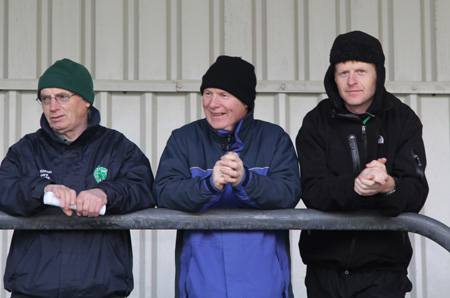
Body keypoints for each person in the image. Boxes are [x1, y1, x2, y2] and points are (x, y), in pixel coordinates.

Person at [0, 58, 155, 298]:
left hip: (100, 287)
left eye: (62, 97)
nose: (52, 106)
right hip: (35, 287)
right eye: (45, 98)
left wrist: (105, 193)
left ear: (86, 101)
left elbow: (143, 187)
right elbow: (4, 187)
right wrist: (42, 190)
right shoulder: (26, 149)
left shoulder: (117, 147)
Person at [153, 55, 301, 298]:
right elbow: (164, 191)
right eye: (208, 93)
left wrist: (247, 180)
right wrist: (208, 185)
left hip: (264, 282)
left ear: (245, 102)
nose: (212, 103)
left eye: (224, 95)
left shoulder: (274, 139)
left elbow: (289, 191)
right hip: (202, 282)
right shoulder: (184, 139)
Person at [296, 30, 429, 297]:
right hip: (325, 269)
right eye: (343, 72)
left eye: (361, 71)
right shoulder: (316, 121)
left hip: (383, 272)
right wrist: (355, 186)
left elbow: (415, 191)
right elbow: (312, 190)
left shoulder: (403, 119)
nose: (352, 81)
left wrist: (388, 186)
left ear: (378, 74)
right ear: (332, 76)